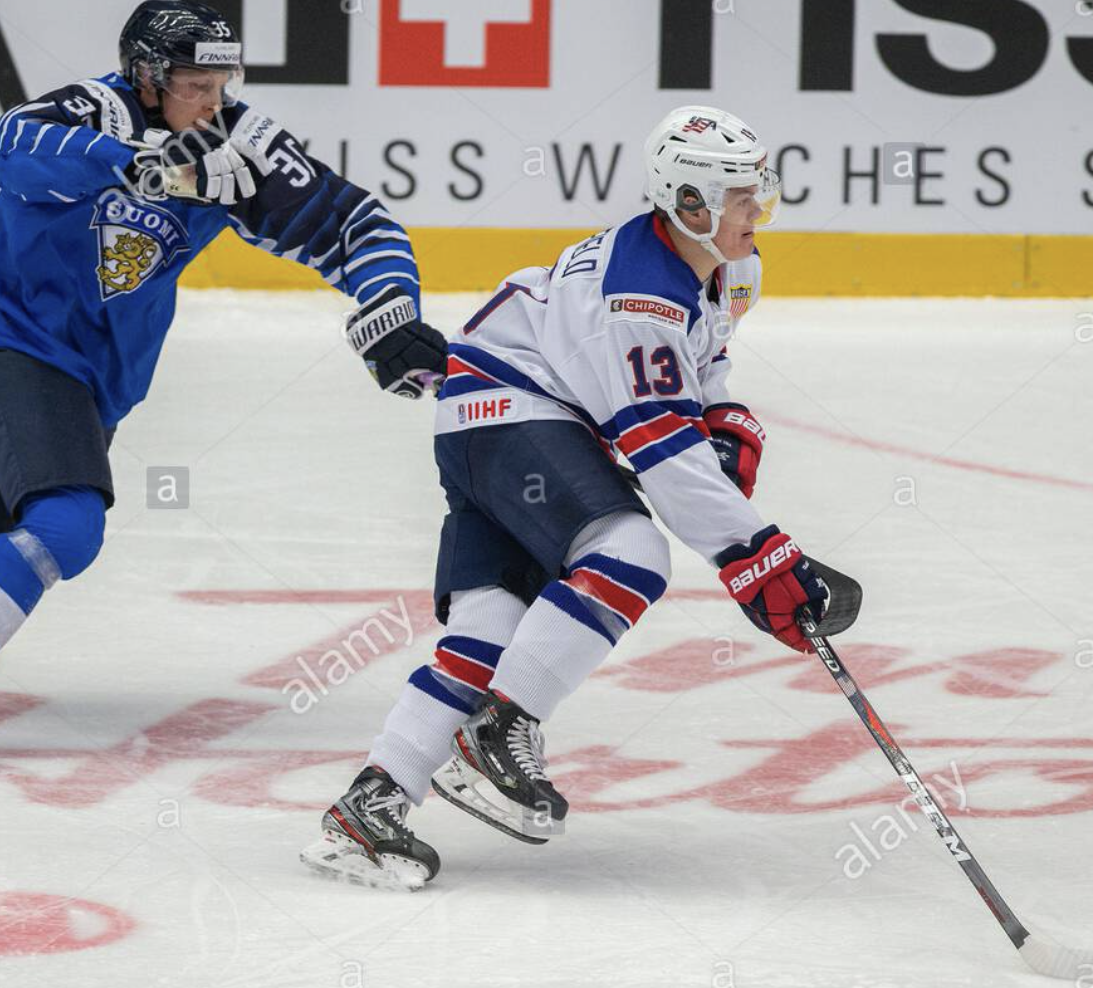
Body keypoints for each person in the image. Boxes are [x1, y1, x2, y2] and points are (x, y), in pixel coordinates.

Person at [0, 0, 445, 771]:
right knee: (66, 526)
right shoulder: (89, 110)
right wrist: (131, 161)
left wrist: (392, 307)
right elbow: (14, 146)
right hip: (11, 347)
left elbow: (360, 225)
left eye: (223, 82)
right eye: (196, 83)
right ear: (148, 78)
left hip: (93, 390)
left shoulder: (231, 144)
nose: (213, 101)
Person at [300, 106, 833, 891]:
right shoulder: (638, 297)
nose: (761, 211)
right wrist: (756, 558)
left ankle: (368, 811)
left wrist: (725, 422)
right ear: (691, 204)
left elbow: (700, 372)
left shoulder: (728, 268)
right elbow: (659, 449)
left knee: (492, 631)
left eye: (761, 191)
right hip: (516, 413)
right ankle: (502, 731)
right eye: (743, 197)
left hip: (491, 423)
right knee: (632, 552)